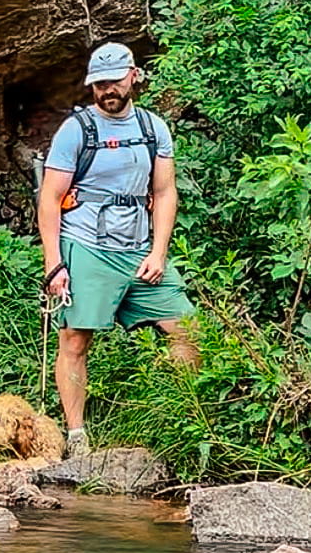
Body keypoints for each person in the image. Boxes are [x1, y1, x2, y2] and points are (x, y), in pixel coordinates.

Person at [37, 40, 196, 456]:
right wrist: (54, 264)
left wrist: (158, 252)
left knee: (189, 331)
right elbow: (50, 198)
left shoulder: (153, 128)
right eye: (99, 84)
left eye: (115, 81)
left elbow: (164, 192)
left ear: (133, 76)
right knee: (75, 340)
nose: (108, 90)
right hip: (86, 245)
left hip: (138, 246)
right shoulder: (76, 130)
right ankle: (77, 437)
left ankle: (183, 419)